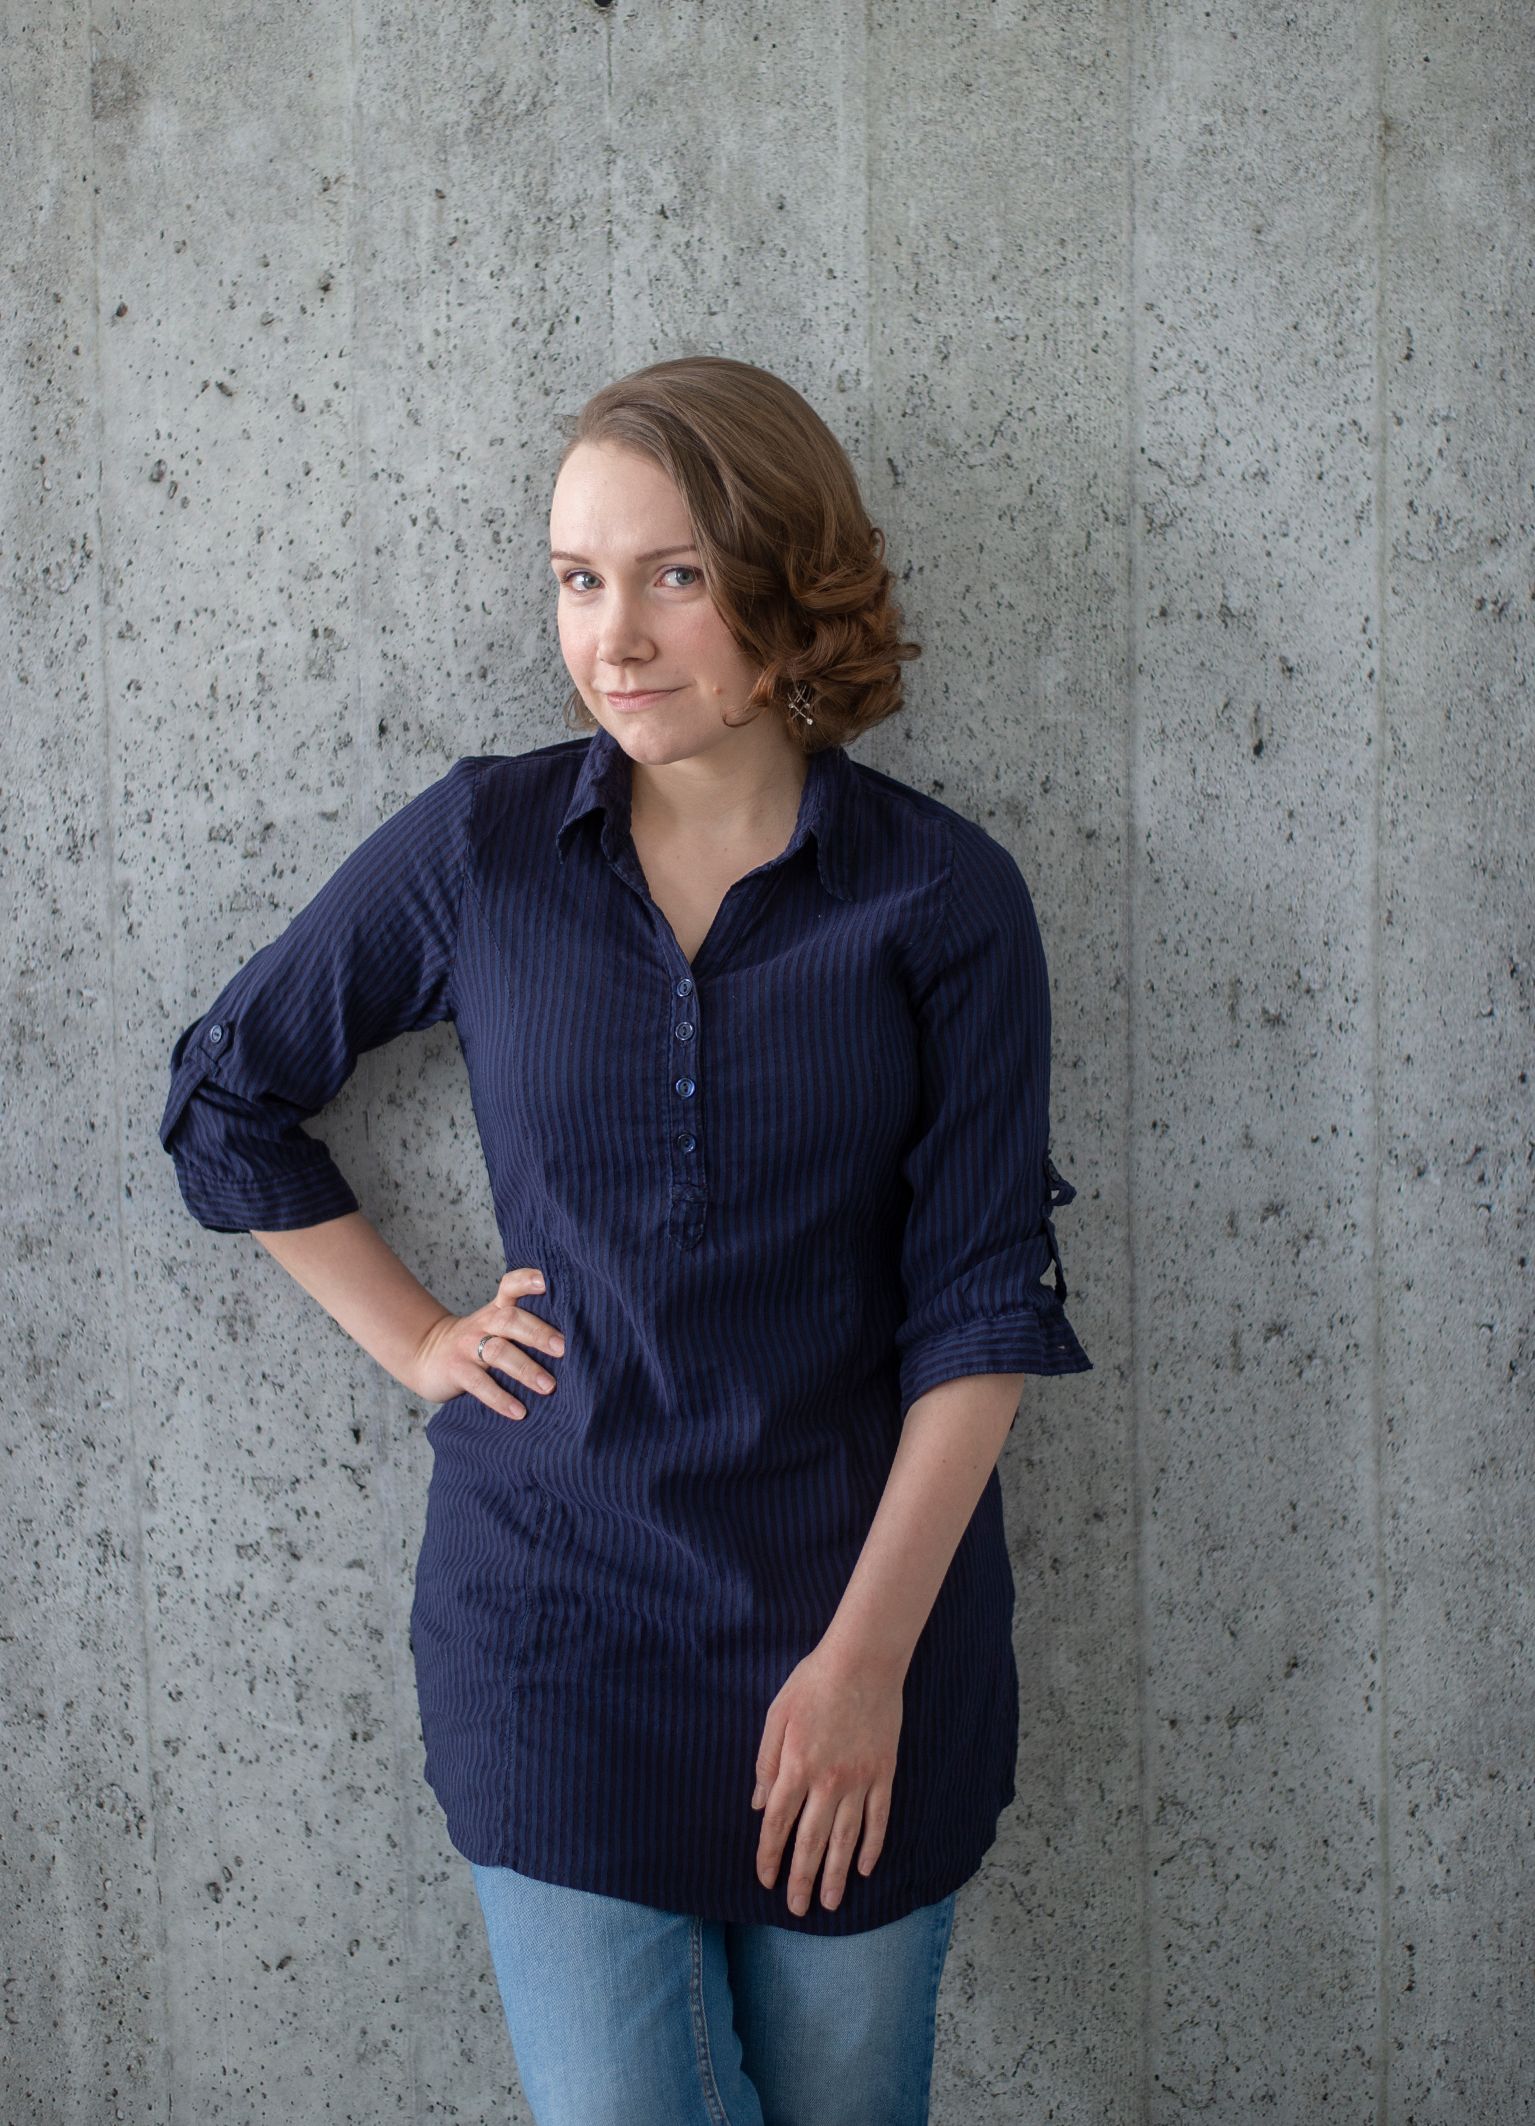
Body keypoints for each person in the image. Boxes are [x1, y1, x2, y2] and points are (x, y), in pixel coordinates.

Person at [158, 354, 1093, 2125]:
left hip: (856, 1626)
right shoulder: (485, 846)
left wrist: (865, 1667)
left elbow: (983, 1305)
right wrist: (420, 1335)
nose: (617, 637)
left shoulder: (943, 896)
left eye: (673, 575)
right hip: (559, 1631)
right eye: (579, 579)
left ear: (789, 581)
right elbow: (229, 1097)